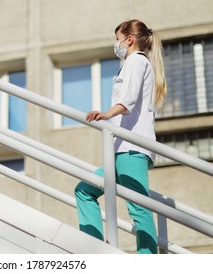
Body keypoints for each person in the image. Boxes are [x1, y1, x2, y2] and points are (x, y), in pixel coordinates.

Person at [74, 19, 167, 254]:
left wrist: (106, 114)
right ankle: (93, 246)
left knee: (138, 208)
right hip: (120, 149)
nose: (116, 45)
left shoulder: (136, 61)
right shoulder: (131, 64)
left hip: (132, 148)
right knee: (84, 190)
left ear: (129, 39)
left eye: (117, 39)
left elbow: (128, 100)